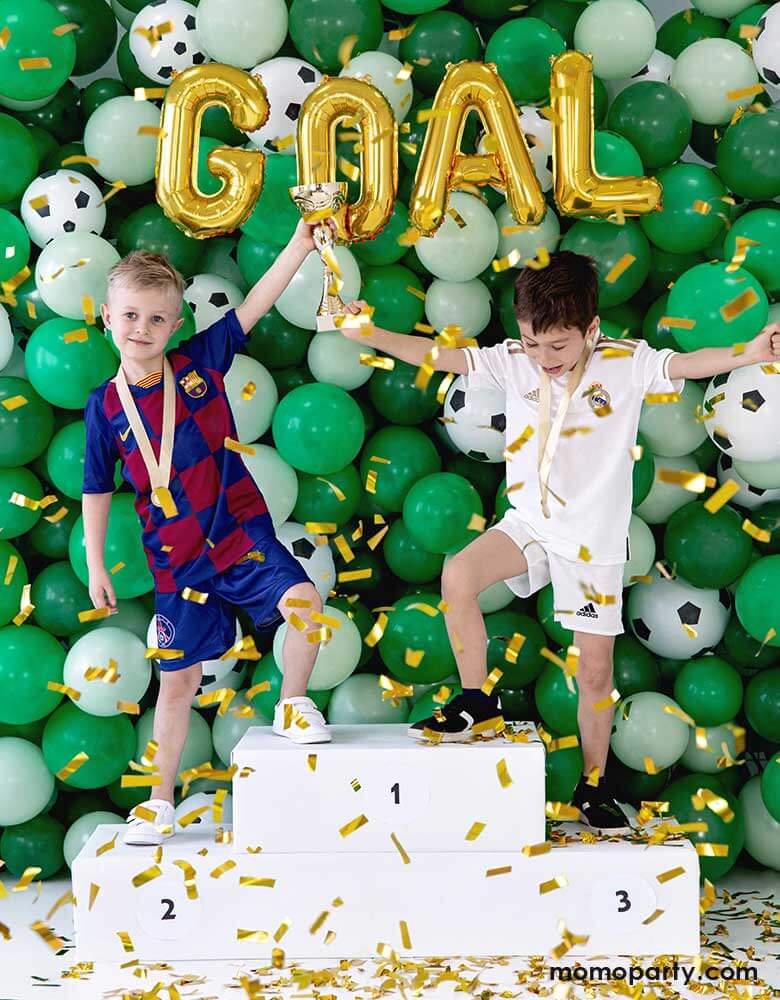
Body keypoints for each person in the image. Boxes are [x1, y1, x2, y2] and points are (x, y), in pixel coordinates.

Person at [339, 250, 780, 834]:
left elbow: (688, 365)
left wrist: (749, 353)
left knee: (594, 673)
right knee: (458, 577)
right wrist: (367, 331)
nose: (543, 358)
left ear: (591, 330)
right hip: (530, 524)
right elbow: (439, 356)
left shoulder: (624, 362)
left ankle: (594, 785)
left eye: (558, 346)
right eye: (531, 342)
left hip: (592, 543)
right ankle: (478, 701)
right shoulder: (515, 361)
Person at [83, 220, 335, 847]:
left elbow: (255, 304)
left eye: (158, 319)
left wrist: (300, 243)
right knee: (176, 686)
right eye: (131, 315)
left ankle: (293, 702)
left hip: (241, 536)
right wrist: (96, 564)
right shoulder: (103, 407)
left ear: (177, 326)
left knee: (306, 603)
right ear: (106, 317)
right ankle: (159, 801)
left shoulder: (198, 364)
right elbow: (96, 489)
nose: (142, 329)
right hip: (178, 563)